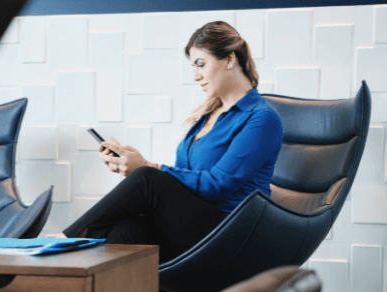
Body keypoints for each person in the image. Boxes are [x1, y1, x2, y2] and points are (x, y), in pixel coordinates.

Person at [63, 21, 283, 263]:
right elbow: (182, 180)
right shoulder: (206, 116)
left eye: (201, 64)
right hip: (196, 225)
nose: (196, 75)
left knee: (146, 178)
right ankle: (82, 279)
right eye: (193, 67)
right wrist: (129, 163)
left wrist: (147, 167)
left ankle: (64, 245)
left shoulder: (262, 118)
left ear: (229, 60)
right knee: (123, 232)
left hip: (230, 233)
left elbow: (218, 184)